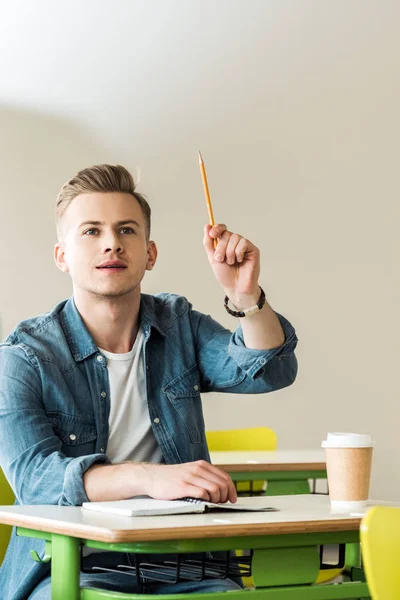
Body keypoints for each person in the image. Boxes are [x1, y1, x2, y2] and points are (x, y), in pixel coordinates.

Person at [0, 164, 298, 599]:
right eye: (91, 231)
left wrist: (245, 296)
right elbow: (37, 481)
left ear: (150, 253)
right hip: (74, 571)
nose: (111, 243)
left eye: (126, 230)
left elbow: (269, 370)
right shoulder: (22, 357)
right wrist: (150, 478)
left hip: (189, 567)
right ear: (62, 256)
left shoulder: (178, 326)